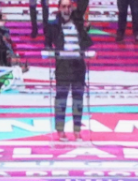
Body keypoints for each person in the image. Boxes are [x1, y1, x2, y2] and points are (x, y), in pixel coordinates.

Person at [45, 0, 92, 142]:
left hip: (78, 66)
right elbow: (47, 44)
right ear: (59, 8)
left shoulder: (77, 20)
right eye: (64, 6)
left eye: (68, 6)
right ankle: (60, 130)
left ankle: (77, 130)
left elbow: (83, 4)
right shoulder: (52, 25)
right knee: (61, 99)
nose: (66, 9)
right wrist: (50, 52)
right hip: (63, 67)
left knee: (78, 99)